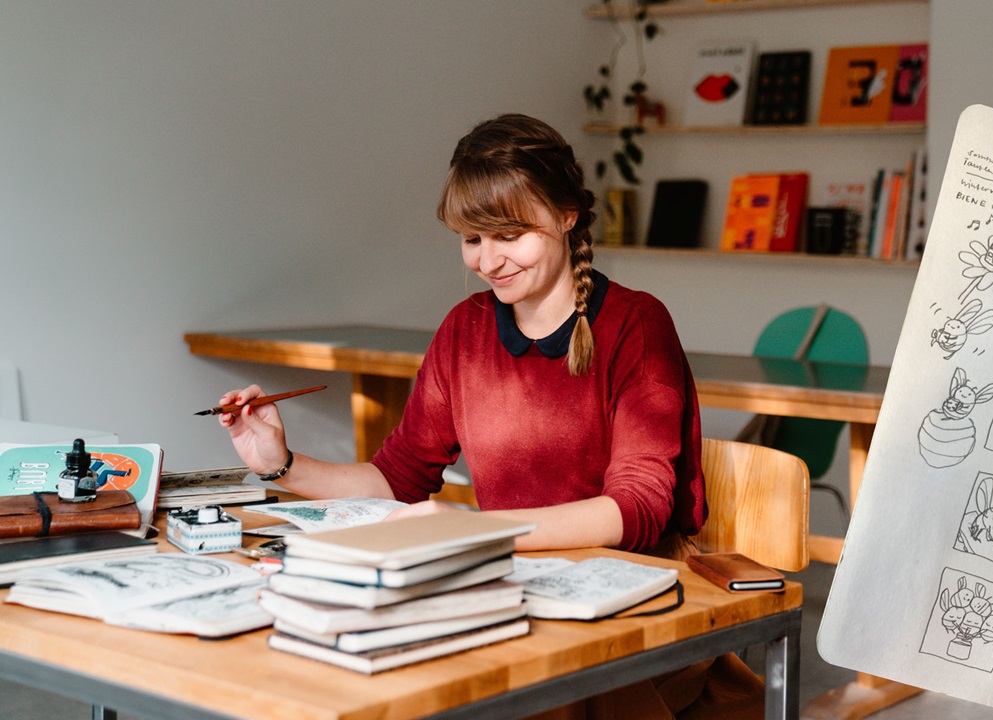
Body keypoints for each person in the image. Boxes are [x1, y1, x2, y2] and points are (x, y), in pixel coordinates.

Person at [219, 114, 763, 718]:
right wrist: (282, 465)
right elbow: (399, 478)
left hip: (626, 603)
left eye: (509, 235)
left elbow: (636, 509)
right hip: (508, 586)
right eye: (472, 239)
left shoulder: (637, 324)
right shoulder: (465, 329)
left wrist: (477, 533)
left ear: (566, 215)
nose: (488, 259)